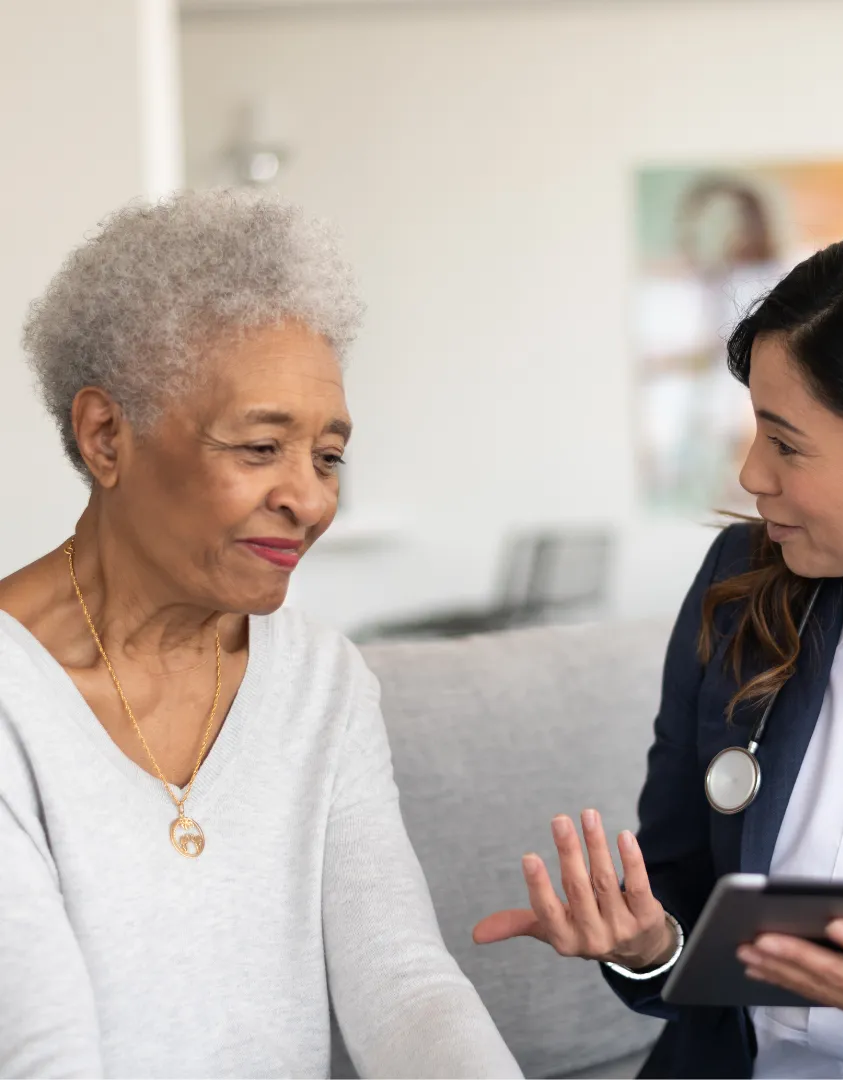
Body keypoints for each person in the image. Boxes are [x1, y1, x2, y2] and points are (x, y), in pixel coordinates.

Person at [475, 223, 843, 1078]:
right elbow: (685, 902)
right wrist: (649, 942)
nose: (753, 474)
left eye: (787, 443)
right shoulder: (740, 592)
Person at [0, 190, 521, 1079]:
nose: (311, 500)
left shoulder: (322, 680)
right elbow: (43, 1054)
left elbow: (402, 986)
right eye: (257, 448)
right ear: (105, 435)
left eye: (327, 456)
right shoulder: (15, 701)